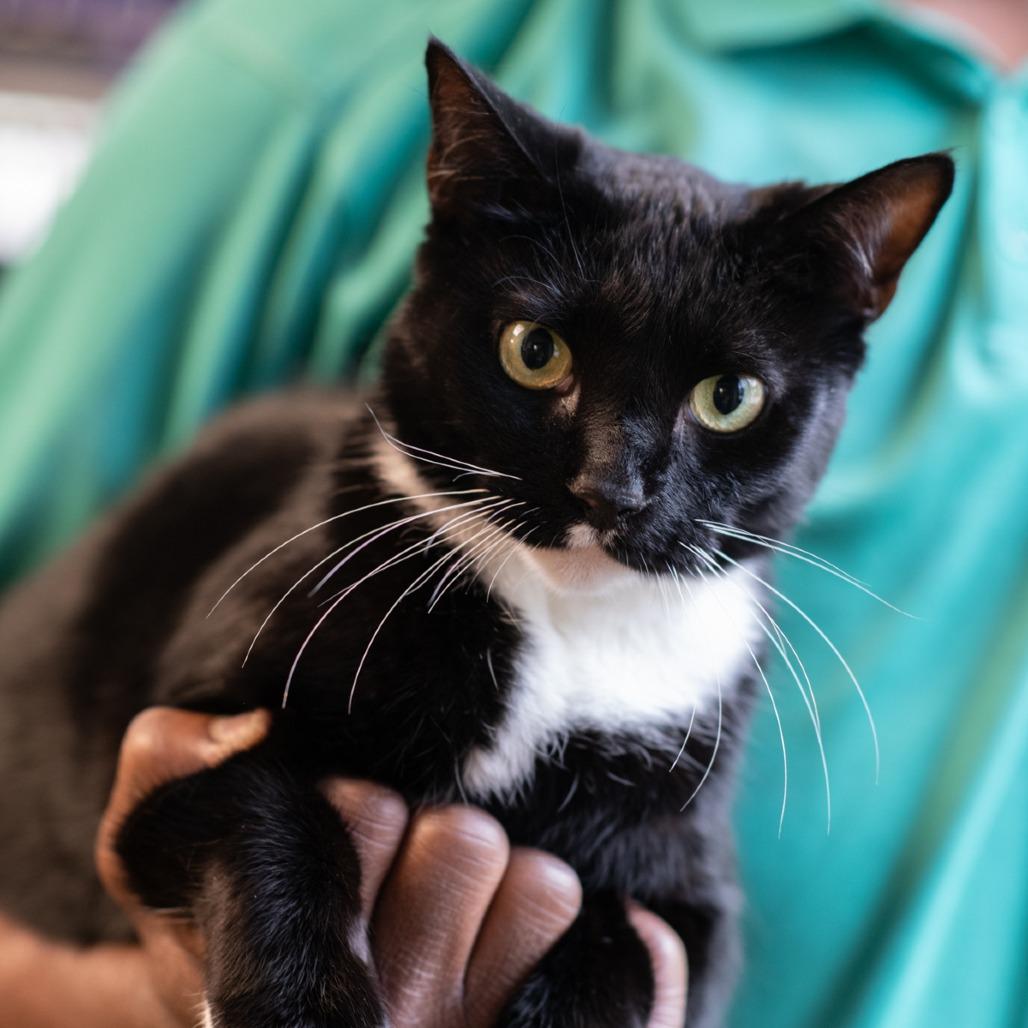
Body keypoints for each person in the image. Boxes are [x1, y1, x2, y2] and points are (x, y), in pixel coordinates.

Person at [0, 0, 1024, 1025]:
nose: (610, 484)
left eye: (725, 400)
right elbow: (197, 777)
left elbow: (677, 935)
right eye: (538, 356)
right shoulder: (309, 52)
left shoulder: (713, 667)